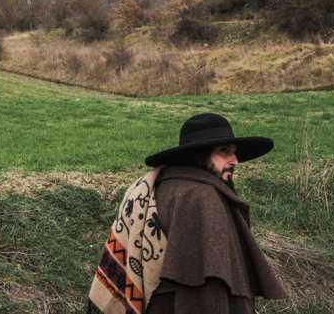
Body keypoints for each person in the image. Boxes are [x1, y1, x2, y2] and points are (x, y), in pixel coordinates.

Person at [87, 113, 287, 314]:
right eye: (224, 151)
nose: (235, 160)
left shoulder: (162, 185)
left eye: (234, 152)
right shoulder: (203, 198)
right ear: (200, 155)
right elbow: (208, 287)